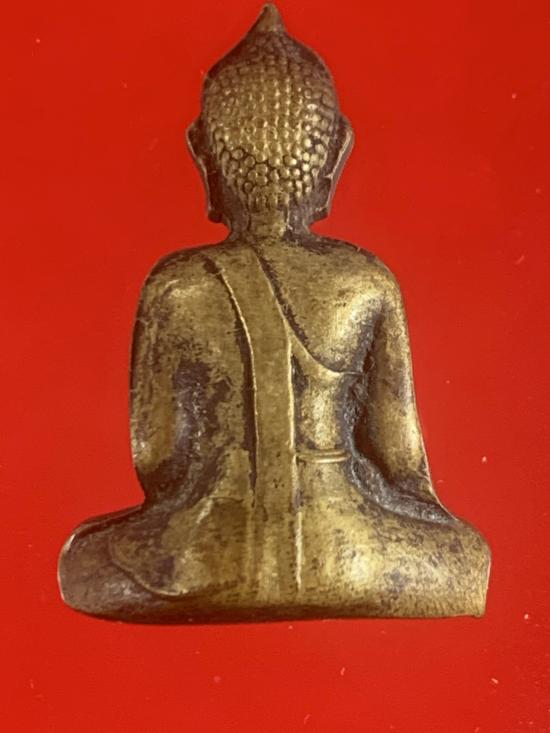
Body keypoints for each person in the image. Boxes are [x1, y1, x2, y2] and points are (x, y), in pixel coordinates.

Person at [59, 4, 490, 622]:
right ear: (335, 154)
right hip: (355, 553)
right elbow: (399, 459)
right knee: (467, 558)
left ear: (203, 155)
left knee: (83, 560)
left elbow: (159, 458)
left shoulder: (176, 285)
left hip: (202, 551)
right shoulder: (365, 280)